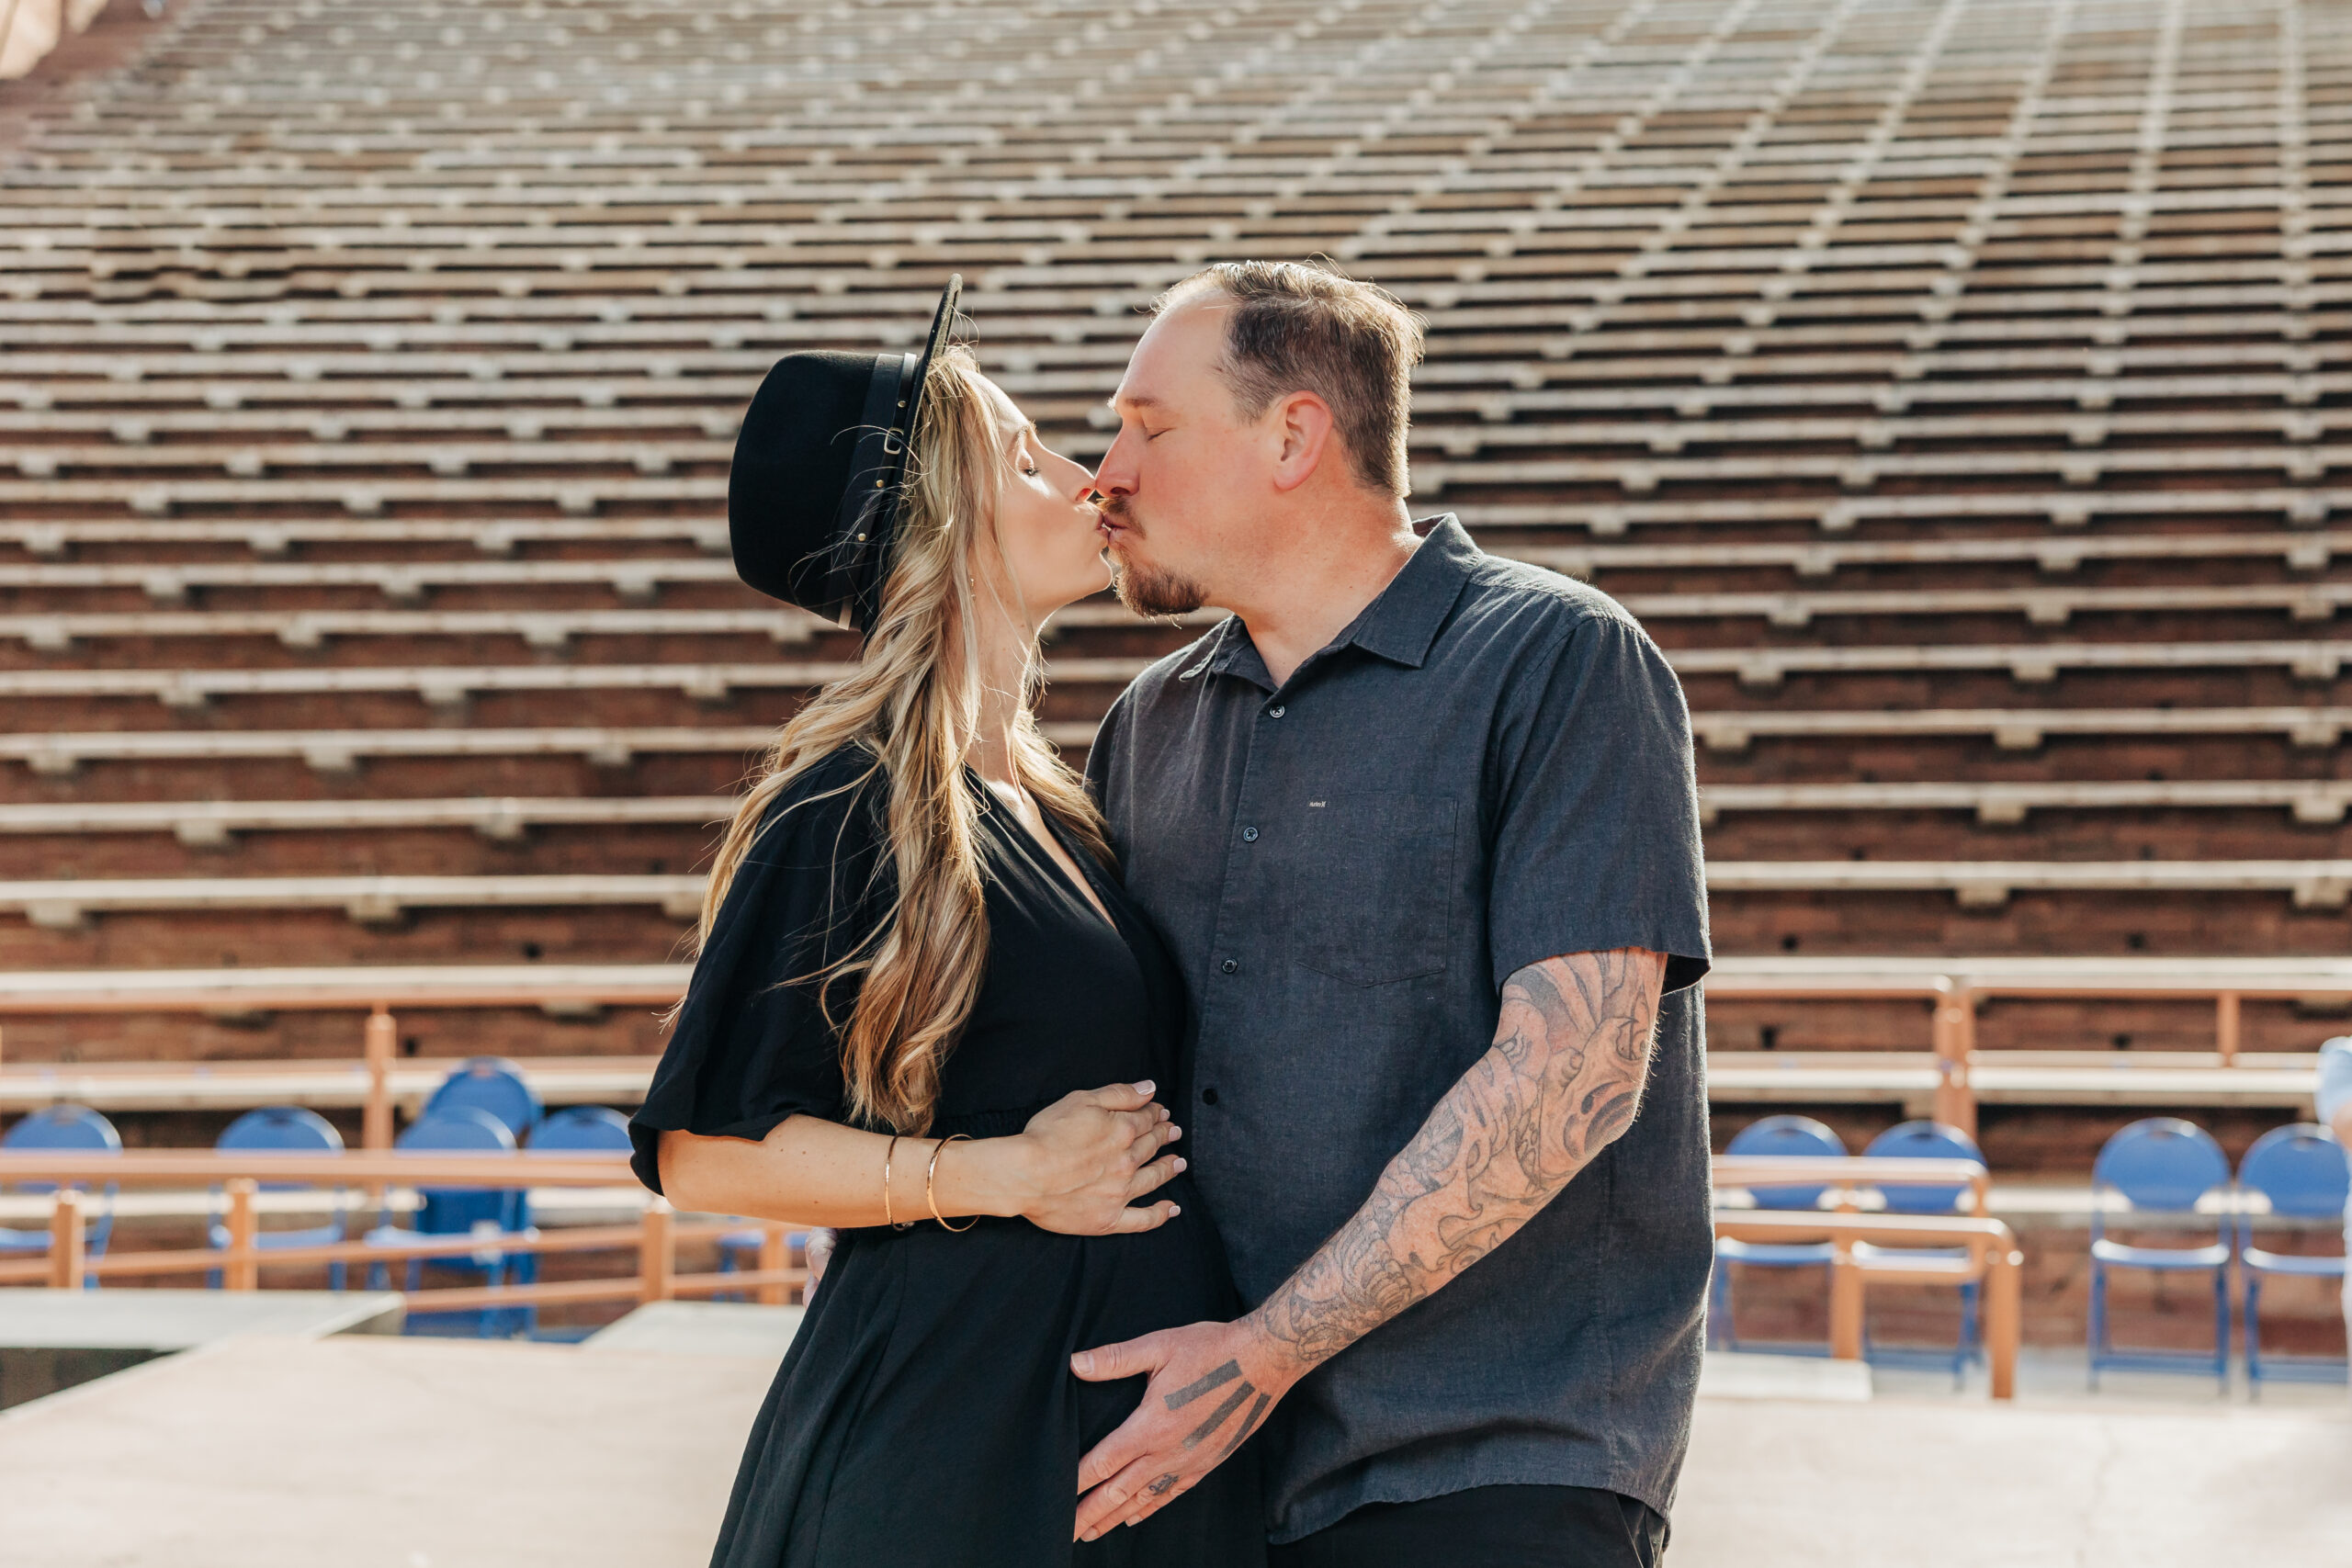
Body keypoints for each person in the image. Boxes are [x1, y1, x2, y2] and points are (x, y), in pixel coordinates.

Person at [1069, 261, 1713, 1566]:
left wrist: (1268, 1350)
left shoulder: (1561, 659)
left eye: (1149, 424)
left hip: (1491, 1457)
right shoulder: (1150, 723)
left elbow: (1574, 1078)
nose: (1107, 471)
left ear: (1294, 434)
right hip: (1217, 1469)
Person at [628, 279, 1265, 1568]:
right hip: (947, 1448)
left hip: (1078, 1445)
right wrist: (997, 1176)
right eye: (1028, 459)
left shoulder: (1059, 805)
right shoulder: (854, 802)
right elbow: (703, 1150)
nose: (1087, 477)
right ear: (941, 526)